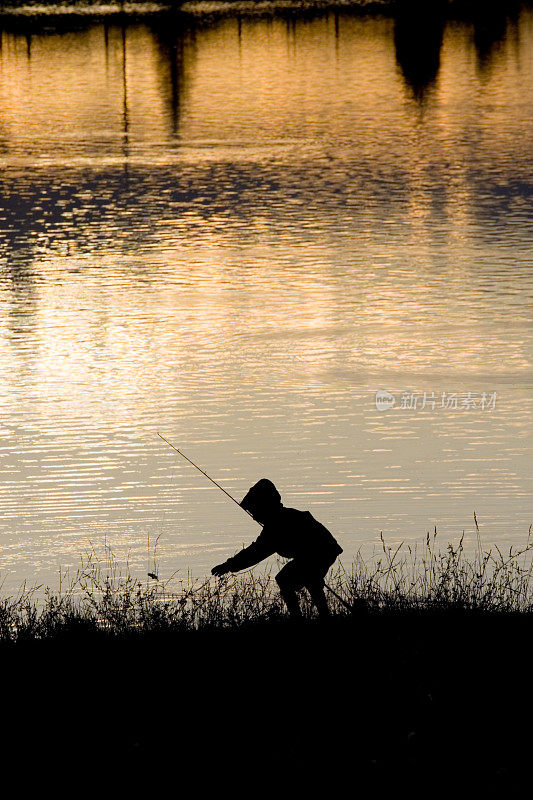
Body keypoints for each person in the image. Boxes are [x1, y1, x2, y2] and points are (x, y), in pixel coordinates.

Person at [211, 478, 343, 617]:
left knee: (287, 579)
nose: (254, 518)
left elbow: (255, 553)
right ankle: (323, 616)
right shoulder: (284, 516)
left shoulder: (276, 526)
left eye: (255, 512)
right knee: (309, 581)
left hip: (321, 552)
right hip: (322, 551)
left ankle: (301, 619)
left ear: (264, 507)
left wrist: (229, 565)